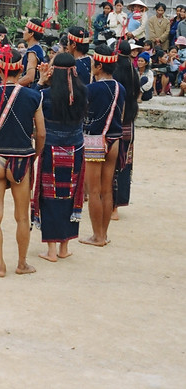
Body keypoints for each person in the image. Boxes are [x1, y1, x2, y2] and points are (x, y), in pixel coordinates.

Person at [0, 48, 45, 277]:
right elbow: (41, 133)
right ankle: (22, 264)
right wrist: (35, 154)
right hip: (21, 162)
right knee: (22, 217)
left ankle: (0, 266)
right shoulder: (34, 97)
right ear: (21, 69)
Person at [32, 53, 88, 262]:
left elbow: (30, 102)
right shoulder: (83, 92)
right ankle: (64, 247)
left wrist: (40, 81)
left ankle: (51, 250)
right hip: (75, 150)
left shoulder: (45, 95)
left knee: (49, 197)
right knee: (70, 196)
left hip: (51, 150)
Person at [80, 44, 125, 247]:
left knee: (94, 190)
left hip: (94, 139)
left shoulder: (90, 89)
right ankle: (103, 235)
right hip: (114, 139)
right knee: (107, 190)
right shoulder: (120, 88)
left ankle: (96, 236)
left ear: (98, 66)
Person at [111, 39, 140, 220]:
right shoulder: (133, 71)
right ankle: (117, 204)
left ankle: (110, 204)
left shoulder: (114, 71)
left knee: (110, 164)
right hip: (128, 122)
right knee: (124, 163)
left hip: (114, 122)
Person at [18, 19, 46, 87]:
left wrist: (13, 85)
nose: (23, 32)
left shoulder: (33, 52)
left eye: (25, 30)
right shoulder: (35, 49)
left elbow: (30, 77)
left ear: (31, 34)